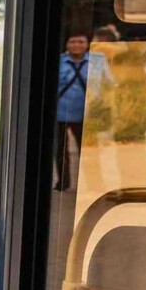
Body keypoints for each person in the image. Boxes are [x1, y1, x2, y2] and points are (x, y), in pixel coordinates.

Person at [55, 30, 114, 193]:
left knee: (88, 151)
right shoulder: (59, 61)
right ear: (66, 44)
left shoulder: (97, 60)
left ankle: (94, 184)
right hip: (61, 112)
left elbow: (109, 82)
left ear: (87, 44)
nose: (77, 45)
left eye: (81, 42)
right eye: (73, 42)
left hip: (87, 114)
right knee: (60, 151)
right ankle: (63, 183)